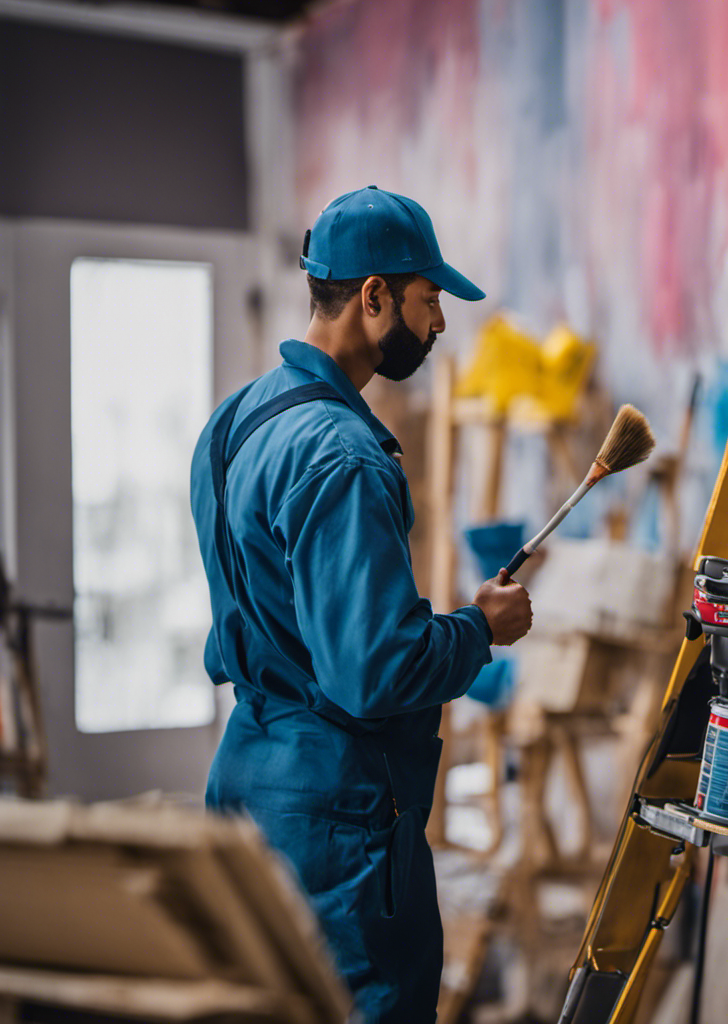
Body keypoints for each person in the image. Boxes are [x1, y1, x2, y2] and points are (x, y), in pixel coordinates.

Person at [190, 185, 533, 1023]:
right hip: (338, 820)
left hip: (247, 781)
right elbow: (373, 672)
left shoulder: (235, 422)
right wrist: (477, 628)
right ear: (374, 296)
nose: (440, 324)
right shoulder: (345, 456)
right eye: (430, 300)